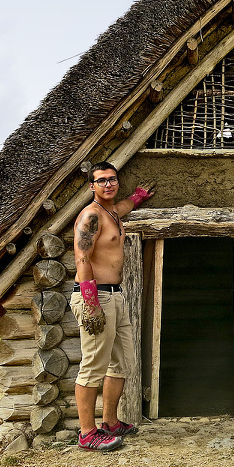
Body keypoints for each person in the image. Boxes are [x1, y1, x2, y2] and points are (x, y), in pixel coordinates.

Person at [71, 161, 154, 451]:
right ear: (92, 186)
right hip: (96, 296)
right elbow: (82, 258)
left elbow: (124, 206)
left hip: (115, 295)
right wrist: (90, 302)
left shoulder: (112, 212)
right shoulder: (91, 216)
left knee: (121, 361)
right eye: (102, 180)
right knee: (93, 365)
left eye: (113, 179)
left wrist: (139, 197)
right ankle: (87, 433)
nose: (108, 184)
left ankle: (110, 422)